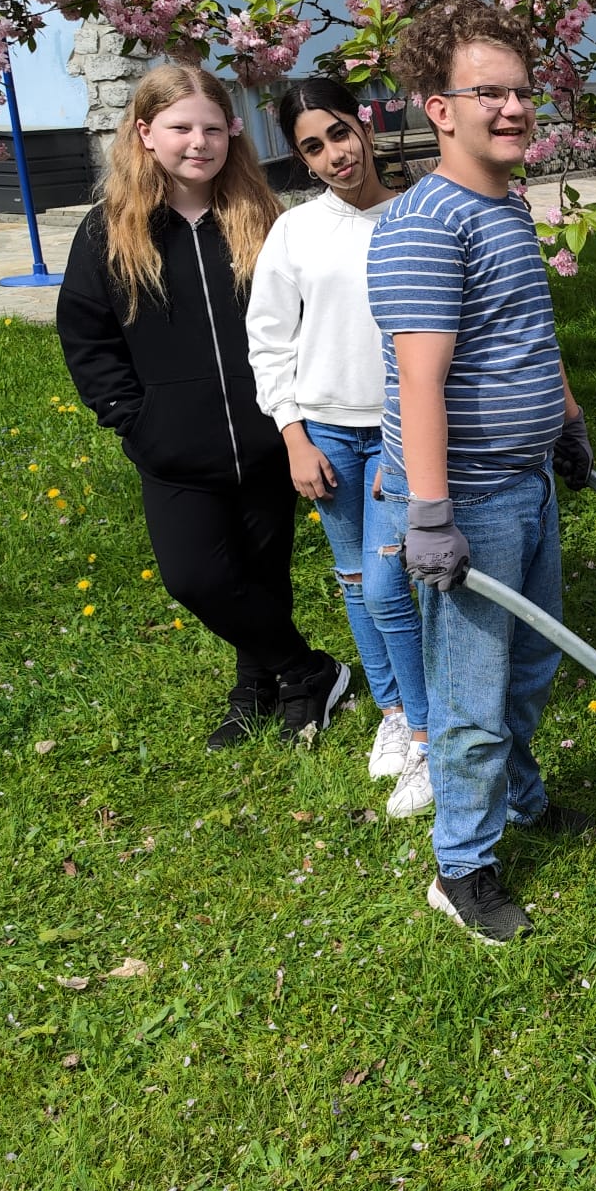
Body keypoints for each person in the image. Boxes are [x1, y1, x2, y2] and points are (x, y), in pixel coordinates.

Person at [366, 0, 596, 945]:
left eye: (521, 92)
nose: (512, 108)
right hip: (471, 498)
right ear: (438, 107)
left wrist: (569, 423)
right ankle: (461, 866)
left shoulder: (503, 205)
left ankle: (522, 796)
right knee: (470, 689)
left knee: (531, 664)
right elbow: (420, 378)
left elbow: (529, 338)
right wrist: (429, 513)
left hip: (528, 477)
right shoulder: (427, 224)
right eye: (488, 93)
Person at [58, 66, 350, 749]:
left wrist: (297, 417)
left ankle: (261, 686)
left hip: (268, 439)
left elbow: (306, 318)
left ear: (232, 134)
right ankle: (310, 671)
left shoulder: (264, 219)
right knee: (197, 577)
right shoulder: (110, 232)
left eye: (213, 128)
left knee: (261, 574)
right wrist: (132, 417)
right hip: (174, 450)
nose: (199, 142)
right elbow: (86, 333)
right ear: (145, 134)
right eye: (181, 128)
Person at [246, 76, 430, 813]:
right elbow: (268, 341)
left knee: (389, 587)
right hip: (324, 431)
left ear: (366, 125)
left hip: (398, 429)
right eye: (311, 148)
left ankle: (426, 734)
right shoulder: (296, 230)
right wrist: (293, 435)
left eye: (339, 134)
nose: (333, 156)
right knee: (355, 581)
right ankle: (390, 713)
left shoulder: (419, 214)